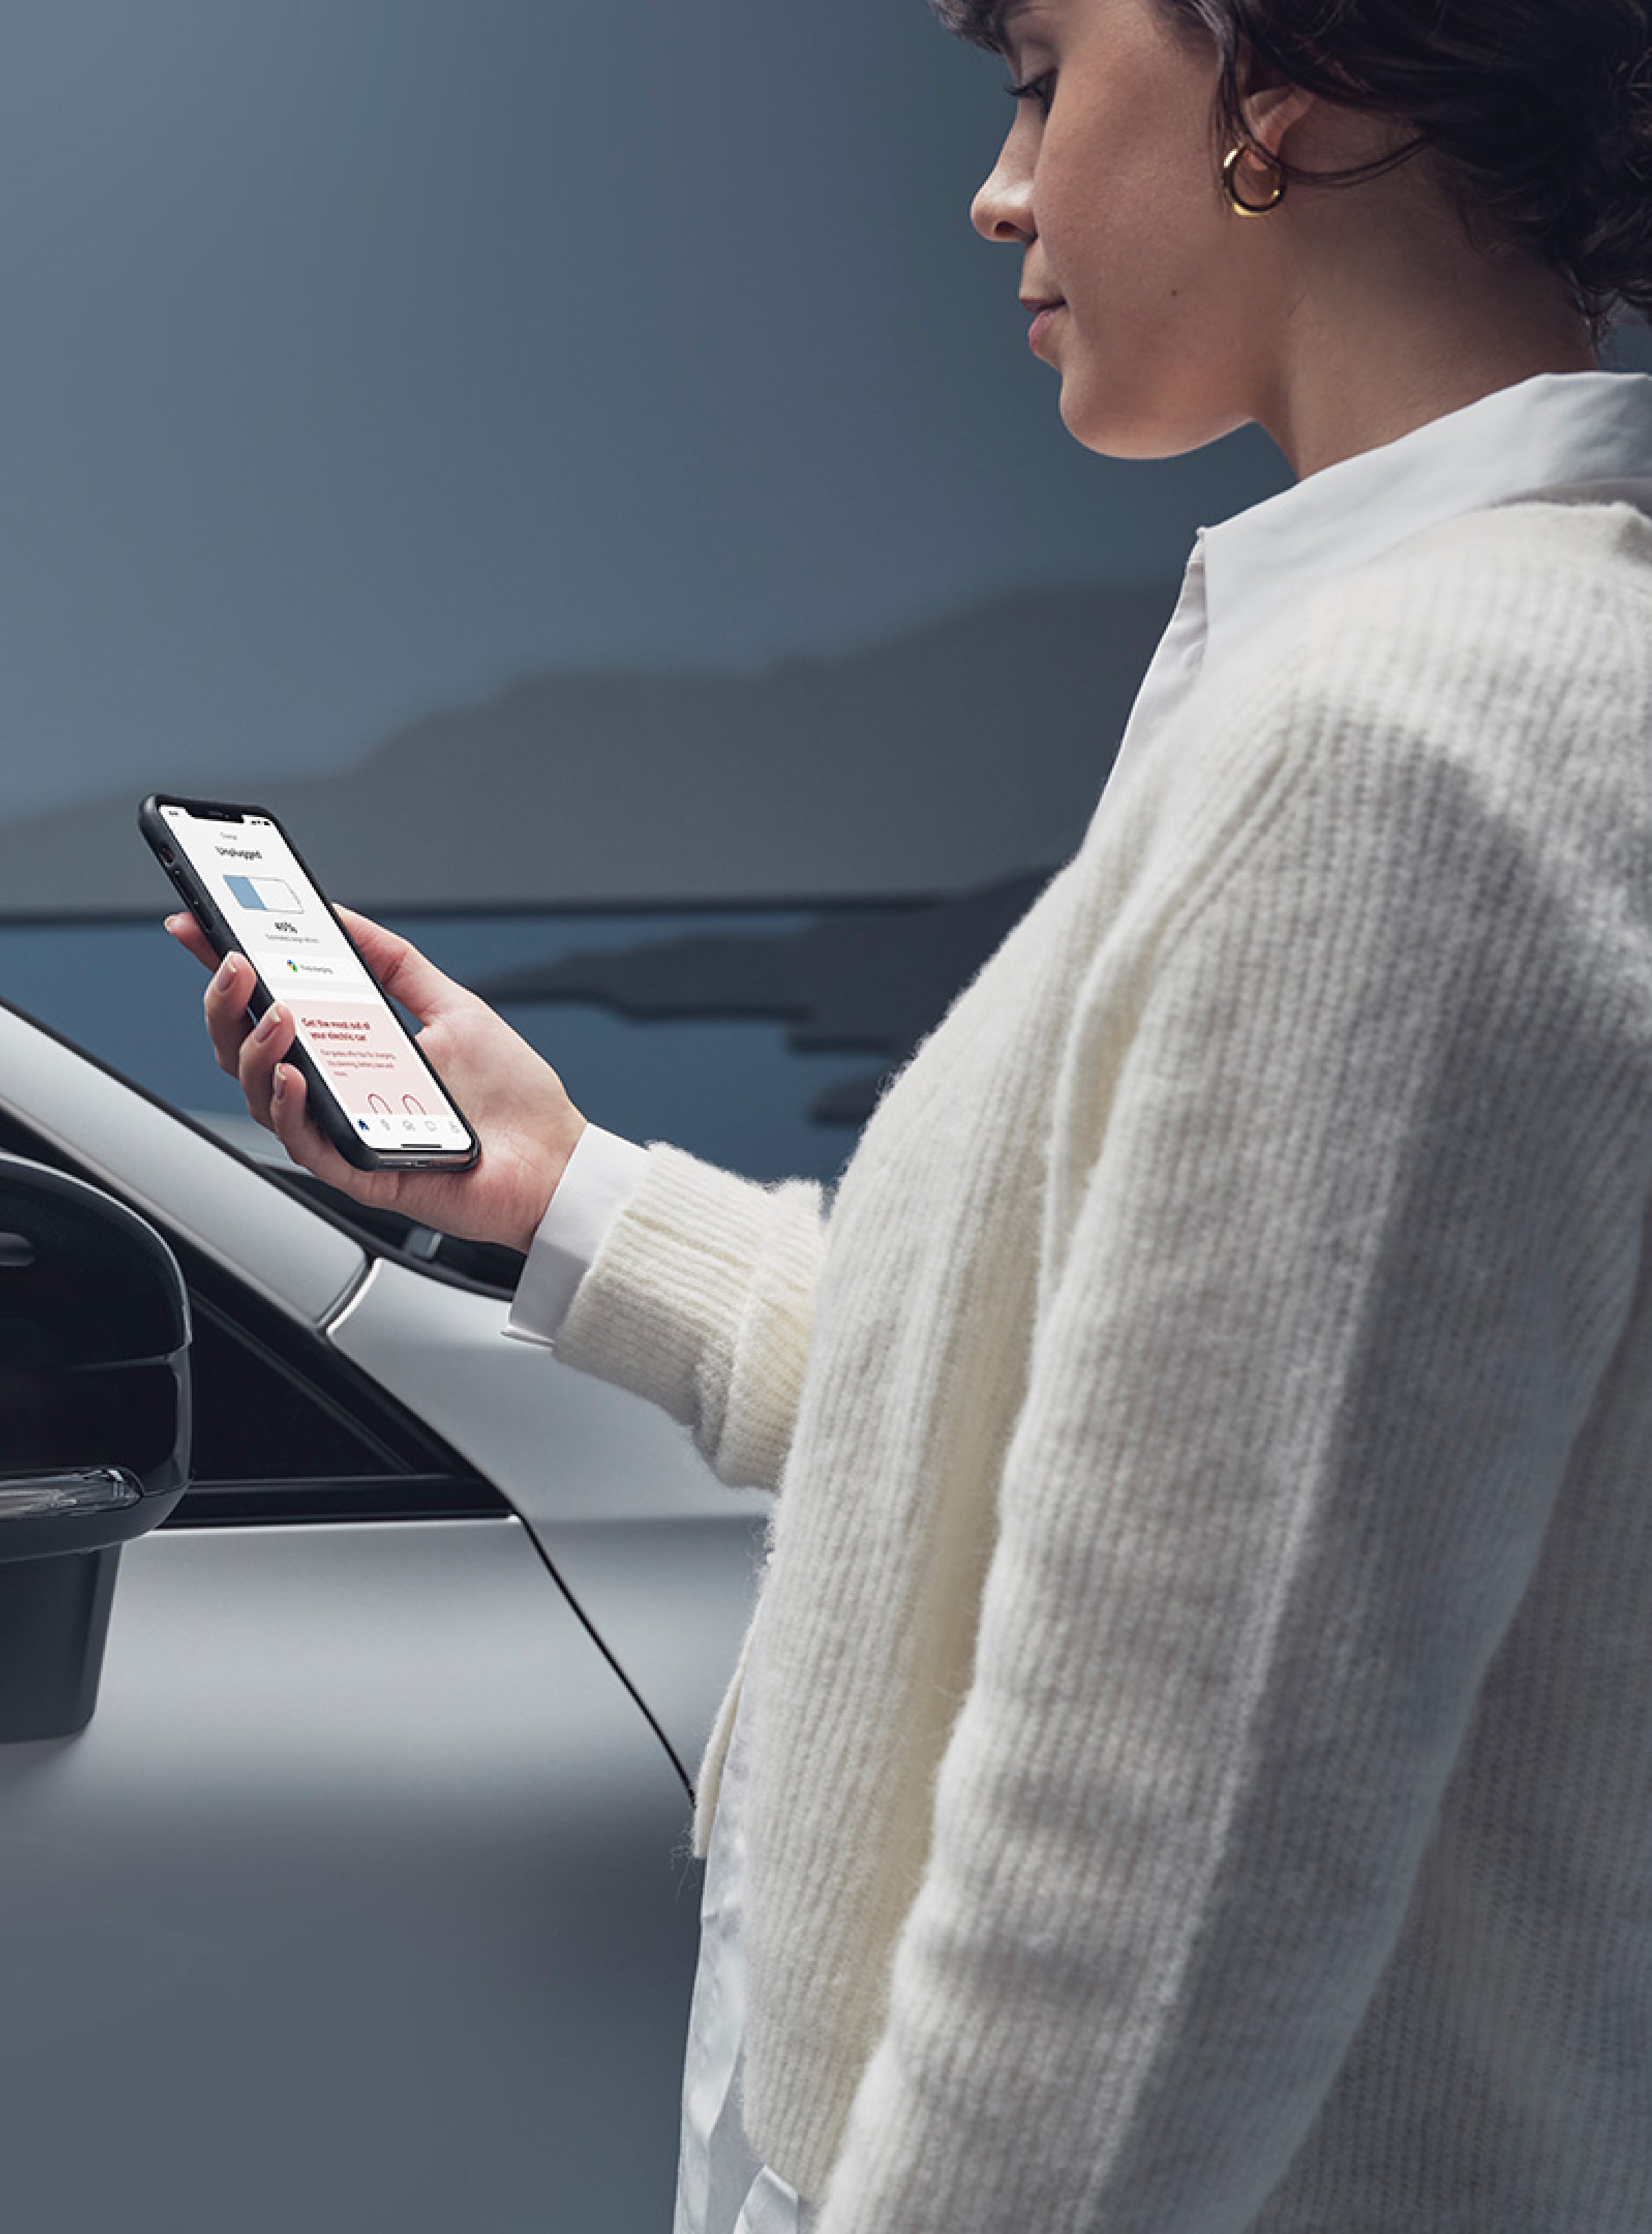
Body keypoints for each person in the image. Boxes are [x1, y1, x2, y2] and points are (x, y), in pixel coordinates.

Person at [171, 0, 1652, 2224]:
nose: (1000, 185)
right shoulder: (1493, 662)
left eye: (1042, 74)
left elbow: (1153, 1846)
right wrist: (566, 1195)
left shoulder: (1393, 753)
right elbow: (1064, 1415)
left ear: (1290, 85)